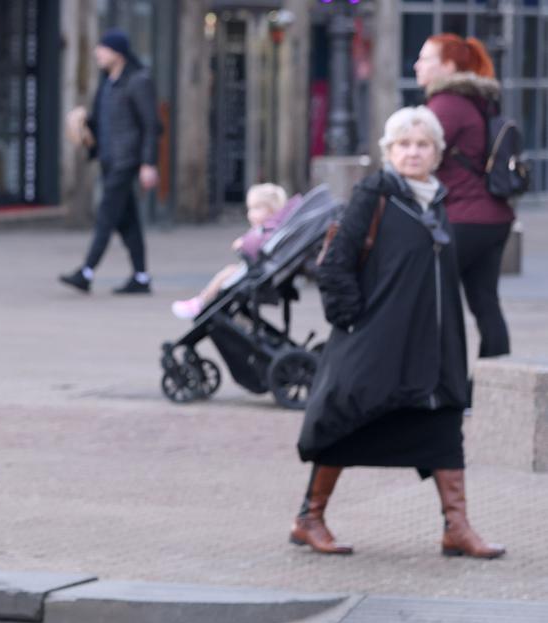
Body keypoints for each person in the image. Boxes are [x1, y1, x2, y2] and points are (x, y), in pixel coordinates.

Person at [294, 106, 503, 560]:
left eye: (422, 145)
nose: (413, 152)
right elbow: (336, 264)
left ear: (437, 154)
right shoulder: (375, 195)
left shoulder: (437, 202)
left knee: (443, 426)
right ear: (389, 151)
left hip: (434, 346)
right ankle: (310, 518)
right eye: (404, 144)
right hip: (379, 341)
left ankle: (457, 527)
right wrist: (353, 319)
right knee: (348, 420)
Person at [416, 34, 515, 358]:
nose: (417, 65)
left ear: (448, 66)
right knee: (485, 301)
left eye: (425, 58)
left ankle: (451, 378)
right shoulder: (475, 100)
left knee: (436, 297)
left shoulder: (446, 104)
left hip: (463, 217)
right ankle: (496, 376)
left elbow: (419, 158)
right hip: (493, 216)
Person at [59, 29, 161, 296]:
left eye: (102, 49)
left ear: (118, 52)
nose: (97, 53)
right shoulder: (108, 83)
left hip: (126, 159)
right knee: (128, 221)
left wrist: (148, 163)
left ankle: (86, 272)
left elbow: (151, 126)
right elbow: (102, 122)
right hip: (108, 158)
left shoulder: (138, 81)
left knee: (106, 215)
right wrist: (84, 122)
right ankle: (141, 277)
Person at [170, 183, 290, 320]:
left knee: (226, 275)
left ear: (272, 211)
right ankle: (201, 301)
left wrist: (242, 243)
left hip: (258, 274)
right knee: (227, 275)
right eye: (250, 209)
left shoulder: (268, 229)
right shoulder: (269, 228)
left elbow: (256, 245)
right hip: (258, 271)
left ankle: (200, 303)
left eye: (257, 209)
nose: (250, 214)